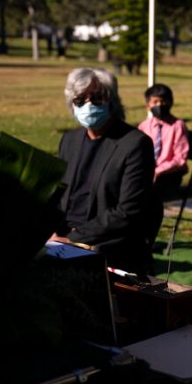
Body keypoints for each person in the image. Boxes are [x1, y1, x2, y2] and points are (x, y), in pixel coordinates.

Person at [49, 67, 159, 276]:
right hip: (62, 239)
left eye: (97, 97)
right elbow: (57, 195)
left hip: (107, 244)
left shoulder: (135, 144)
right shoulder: (69, 141)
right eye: (80, 99)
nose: (88, 104)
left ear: (112, 100)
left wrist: (74, 238)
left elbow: (128, 212)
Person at [137, 83, 190, 202]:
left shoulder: (177, 126)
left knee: (146, 195)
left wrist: (158, 171)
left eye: (163, 101)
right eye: (155, 102)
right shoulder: (144, 126)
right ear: (148, 106)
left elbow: (180, 159)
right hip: (148, 173)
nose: (159, 105)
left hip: (169, 175)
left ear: (170, 102)